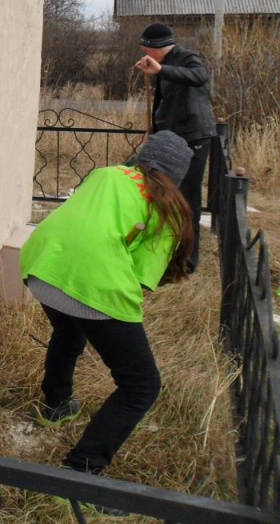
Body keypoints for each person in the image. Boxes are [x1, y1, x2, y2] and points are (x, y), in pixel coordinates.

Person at [20, 130, 194, 481]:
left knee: (69, 330)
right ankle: (82, 469)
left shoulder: (106, 174)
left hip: (40, 267)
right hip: (90, 282)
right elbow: (142, 278)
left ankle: (57, 404)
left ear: (143, 156)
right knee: (141, 385)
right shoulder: (168, 211)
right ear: (178, 175)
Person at [134, 23, 216, 273]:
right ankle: (167, 251)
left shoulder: (188, 58)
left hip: (193, 137)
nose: (144, 51)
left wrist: (162, 70)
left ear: (158, 47)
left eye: (146, 47)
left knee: (187, 199)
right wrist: (154, 132)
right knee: (164, 194)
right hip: (172, 138)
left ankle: (187, 262)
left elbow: (199, 77)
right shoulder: (165, 64)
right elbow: (164, 103)